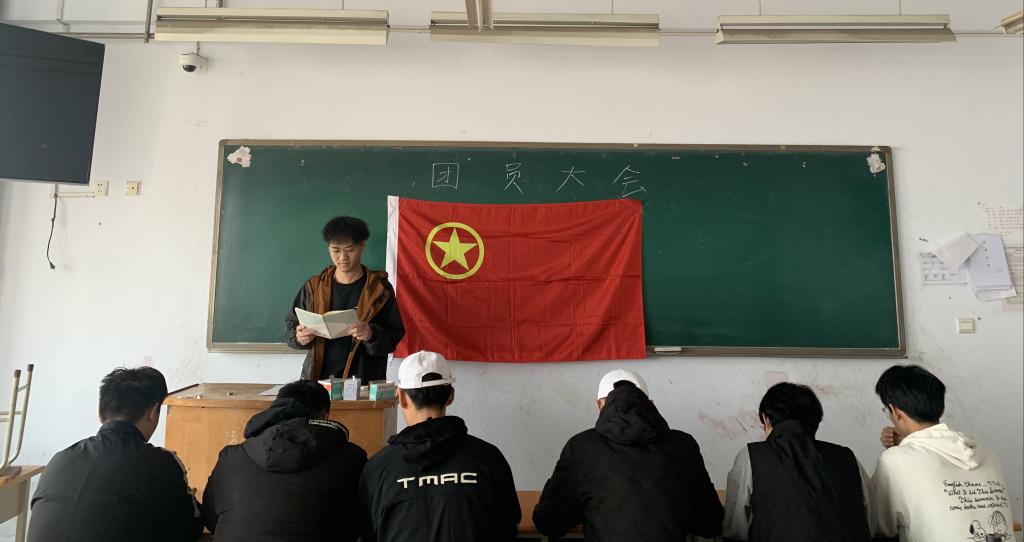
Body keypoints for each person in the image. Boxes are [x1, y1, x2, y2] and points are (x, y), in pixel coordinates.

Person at [534, 370, 723, 542]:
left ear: (600, 405)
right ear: (650, 403)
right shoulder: (684, 445)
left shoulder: (581, 447)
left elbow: (549, 522)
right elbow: (711, 523)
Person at [358, 351, 521, 542]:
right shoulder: (489, 458)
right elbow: (508, 526)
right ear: (451, 395)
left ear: (401, 397)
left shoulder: (378, 468)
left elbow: (367, 533)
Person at [28, 367, 202, 542]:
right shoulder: (161, 463)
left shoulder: (59, 459)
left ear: (99, 413)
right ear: (153, 412)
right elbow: (190, 528)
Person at [201, 379, 367, 541]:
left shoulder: (230, 458)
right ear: (325, 416)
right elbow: (364, 521)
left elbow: (211, 518)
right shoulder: (352, 458)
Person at [871, 364, 1016, 542]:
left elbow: (878, 525)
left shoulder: (895, 460)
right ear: (942, 409)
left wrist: (900, 450)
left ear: (894, 411)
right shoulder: (989, 455)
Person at [722, 382, 872, 541]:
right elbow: (869, 520)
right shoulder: (847, 457)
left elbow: (735, 529)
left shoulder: (752, 456)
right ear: (815, 422)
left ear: (766, 420)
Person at [285, 215, 405, 382]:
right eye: (335, 250)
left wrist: (371, 334)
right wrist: (299, 337)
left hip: (364, 381)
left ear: (362, 245)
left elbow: (394, 335)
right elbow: (291, 328)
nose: (342, 258)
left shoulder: (379, 290)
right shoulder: (313, 287)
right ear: (328, 248)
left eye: (349, 250)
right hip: (318, 382)